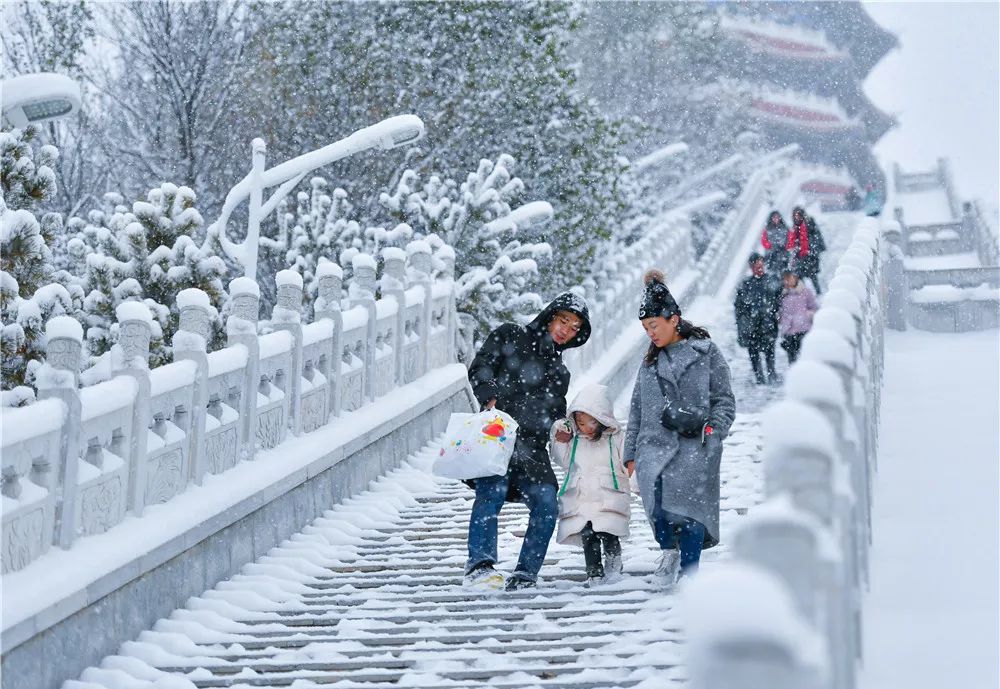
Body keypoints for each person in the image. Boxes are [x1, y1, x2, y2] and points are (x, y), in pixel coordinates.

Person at [465, 292, 592, 591]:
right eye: (564, 321)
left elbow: (555, 414)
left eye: (574, 328)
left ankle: (525, 573)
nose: (566, 330)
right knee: (490, 495)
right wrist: (488, 393)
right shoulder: (511, 334)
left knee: (547, 504)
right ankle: (479, 567)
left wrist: (560, 429)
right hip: (498, 438)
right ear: (551, 316)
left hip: (532, 450)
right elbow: (481, 364)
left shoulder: (561, 372)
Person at [624, 269, 735, 587]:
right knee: (659, 513)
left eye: (654, 326)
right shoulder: (649, 363)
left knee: (689, 512)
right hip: (652, 449)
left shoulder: (707, 352)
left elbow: (724, 400)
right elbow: (636, 409)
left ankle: (689, 572)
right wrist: (630, 453)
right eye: (646, 328)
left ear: (674, 319)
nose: (651, 334)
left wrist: (713, 433)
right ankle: (668, 551)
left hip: (694, 444)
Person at [550, 384, 630, 587]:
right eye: (581, 423)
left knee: (608, 531)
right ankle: (593, 570)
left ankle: (613, 561)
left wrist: (636, 481)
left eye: (592, 422)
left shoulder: (616, 438)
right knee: (588, 534)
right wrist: (560, 442)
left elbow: (627, 461)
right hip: (582, 495)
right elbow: (564, 461)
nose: (586, 428)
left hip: (608, 494)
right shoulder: (575, 440)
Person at [734, 253, 782, 385]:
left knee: (770, 352)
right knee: (754, 354)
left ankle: (771, 374)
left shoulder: (773, 281)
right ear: (751, 267)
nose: (760, 269)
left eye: (761, 265)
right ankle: (759, 378)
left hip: (768, 324)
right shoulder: (745, 285)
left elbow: (780, 300)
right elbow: (739, 309)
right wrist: (742, 327)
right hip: (752, 327)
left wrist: (778, 315)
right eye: (757, 266)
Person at [778, 268, 818, 364]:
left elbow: (814, 307)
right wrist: (780, 319)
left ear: (795, 278)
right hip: (789, 332)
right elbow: (779, 310)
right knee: (792, 360)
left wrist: (808, 315)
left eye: (789, 278)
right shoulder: (782, 294)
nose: (787, 281)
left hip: (803, 330)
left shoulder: (805, 292)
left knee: (805, 358)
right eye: (785, 279)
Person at [790, 206, 826, 294]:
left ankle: (818, 294)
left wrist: (814, 248)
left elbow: (817, 236)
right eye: (795, 215)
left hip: (810, 254)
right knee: (800, 277)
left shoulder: (810, 223)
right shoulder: (794, 227)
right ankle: (803, 296)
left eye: (798, 215)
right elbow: (793, 241)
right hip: (800, 255)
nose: (797, 217)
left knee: (813, 276)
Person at [760, 210, 790, 274]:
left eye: (777, 217)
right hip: (771, 255)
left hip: (783, 253)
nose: (776, 219)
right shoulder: (767, 229)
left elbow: (790, 238)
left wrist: (785, 246)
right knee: (773, 273)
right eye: (774, 217)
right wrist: (771, 246)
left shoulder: (785, 228)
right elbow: (764, 241)